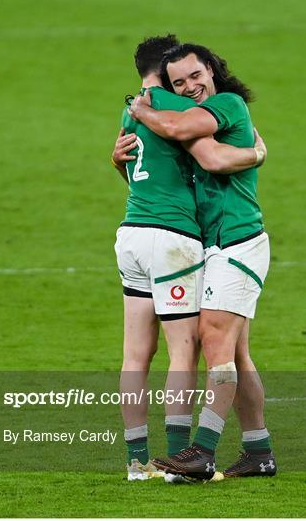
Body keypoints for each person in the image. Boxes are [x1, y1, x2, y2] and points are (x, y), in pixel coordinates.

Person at [112, 36, 265, 481]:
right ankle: (240, 451)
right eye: (179, 79)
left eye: (196, 75)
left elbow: (207, 154)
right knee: (219, 350)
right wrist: (257, 152)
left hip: (231, 241)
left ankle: (167, 458)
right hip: (186, 240)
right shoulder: (169, 110)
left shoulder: (214, 106)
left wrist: (139, 117)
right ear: (165, 76)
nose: (188, 85)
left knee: (194, 344)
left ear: (212, 71)